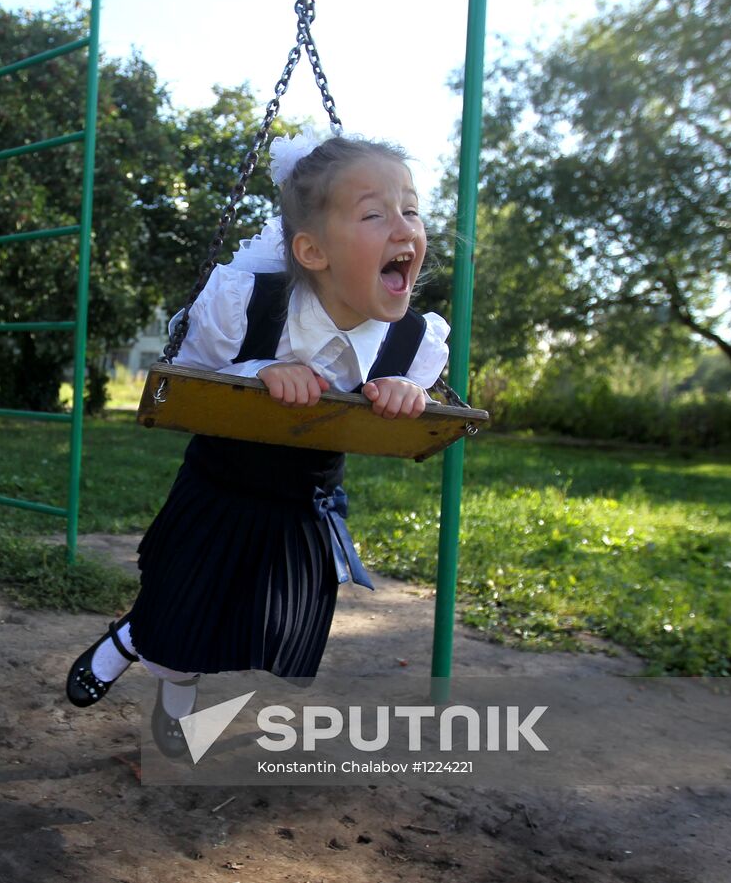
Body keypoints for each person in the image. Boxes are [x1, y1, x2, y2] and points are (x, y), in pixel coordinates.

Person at [64, 131, 450, 758]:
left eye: (410, 208)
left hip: (303, 506)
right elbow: (186, 380)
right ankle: (163, 693)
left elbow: (418, 401)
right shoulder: (245, 306)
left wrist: (408, 394)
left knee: (251, 620)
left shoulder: (414, 344)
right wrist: (255, 375)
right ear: (312, 250)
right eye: (375, 213)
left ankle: (139, 635)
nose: (403, 225)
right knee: (186, 609)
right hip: (220, 487)